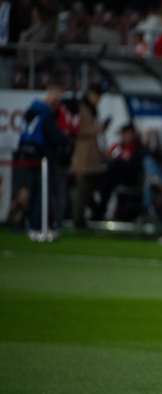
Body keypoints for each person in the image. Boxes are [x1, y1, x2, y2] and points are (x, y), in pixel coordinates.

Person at [16, 84, 68, 239]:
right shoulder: (46, 113)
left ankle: (30, 223)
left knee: (33, 190)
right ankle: (39, 226)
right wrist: (64, 138)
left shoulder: (31, 110)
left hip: (29, 155)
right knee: (42, 191)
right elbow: (52, 135)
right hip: (43, 157)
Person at [95, 123, 147, 220]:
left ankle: (100, 212)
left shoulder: (138, 148)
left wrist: (116, 162)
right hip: (114, 176)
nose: (126, 136)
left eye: (128, 133)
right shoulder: (118, 147)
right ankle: (98, 211)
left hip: (129, 178)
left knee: (108, 180)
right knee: (95, 179)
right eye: (124, 133)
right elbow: (108, 156)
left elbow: (133, 166)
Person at [70, 84, 105, 229]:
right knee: (82, 189)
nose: (99, 100)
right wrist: (95, 129)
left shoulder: (89, 109)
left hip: (90, 156)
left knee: (87, 188)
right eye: (98, 97)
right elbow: (77, 129)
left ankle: (85, 217)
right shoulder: (82, 108)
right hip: (84, 156)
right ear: (91, 94)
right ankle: (78, 219)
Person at [0, 0, 21, 88]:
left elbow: (15, 31)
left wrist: (10, 50)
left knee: (5, 81)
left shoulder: (11, 9)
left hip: (6, 53)